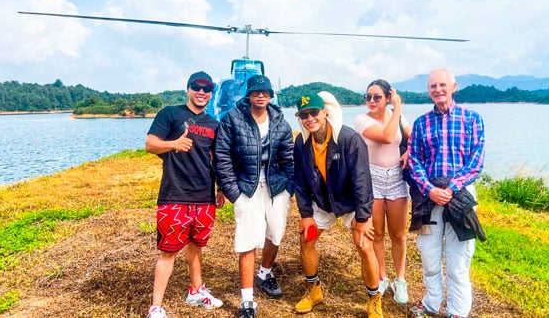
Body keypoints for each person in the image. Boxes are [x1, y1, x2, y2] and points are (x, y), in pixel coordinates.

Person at [293, 91, 383, 318]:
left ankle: (374, 300)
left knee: (364, 245)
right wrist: (305, 214)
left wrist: (363, 218)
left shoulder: (349, 139)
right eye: (304, 115)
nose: (310, 118)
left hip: (350, 200)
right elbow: (300, 181)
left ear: (325, 112)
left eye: (314, 112)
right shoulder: (302, 142)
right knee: (306, 239)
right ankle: (313, 290)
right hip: (323, 200)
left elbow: (362, 179)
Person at [145, 71, 225, 318]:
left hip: (204, 197)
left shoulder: (214, 124)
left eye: (207, 89)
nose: (201, 92)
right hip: (174, 195)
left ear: (211, 94)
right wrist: (173, 145)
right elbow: (150, 144)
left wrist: (220, 188)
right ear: (188, 90)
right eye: (196, 87)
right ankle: (156, 306)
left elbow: (216, 159)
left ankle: (196, 290)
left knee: (196, 246)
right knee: (168, 251)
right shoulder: (170, 114)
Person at [408, 68, 485, 318]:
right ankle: (431, 302)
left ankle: (457, 312)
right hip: (427, 198)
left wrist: (451, 188)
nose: (438, 90)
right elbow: (415, 161)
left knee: (458, 259)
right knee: (428, 254)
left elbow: (476, 161)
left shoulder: (473, 119)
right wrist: (430, 190)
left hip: (460, 196)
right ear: (428, 90)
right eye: (433, 86)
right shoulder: (421, 123)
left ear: (454, 86)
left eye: (442, 85)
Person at [215, 74, 294, 318]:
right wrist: (232, 191)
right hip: (246, 186)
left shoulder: (280, 121)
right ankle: (247, 300)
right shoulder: (233, 119)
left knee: (276, 233)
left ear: (271, 95)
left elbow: (288, 157)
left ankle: (264, 273)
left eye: (266, 92)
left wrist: (289, 187)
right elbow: (222, 156)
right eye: (256, 92)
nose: (261, 96)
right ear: (248, 95)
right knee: (248, 240)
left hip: (276, 187)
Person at [354, 79, 411, 304]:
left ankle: (401, 279)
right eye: (368, 97)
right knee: (376, 234)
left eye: (377, 97)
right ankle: (382, 277)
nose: (371, 101)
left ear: (387, 97)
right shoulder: (361, 120)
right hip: (373, 178)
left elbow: (414, 137)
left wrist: (408, 153)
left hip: (396, 177)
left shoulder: (399, 118)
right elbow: (387, 137)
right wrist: (397, 108)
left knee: (398, 234)